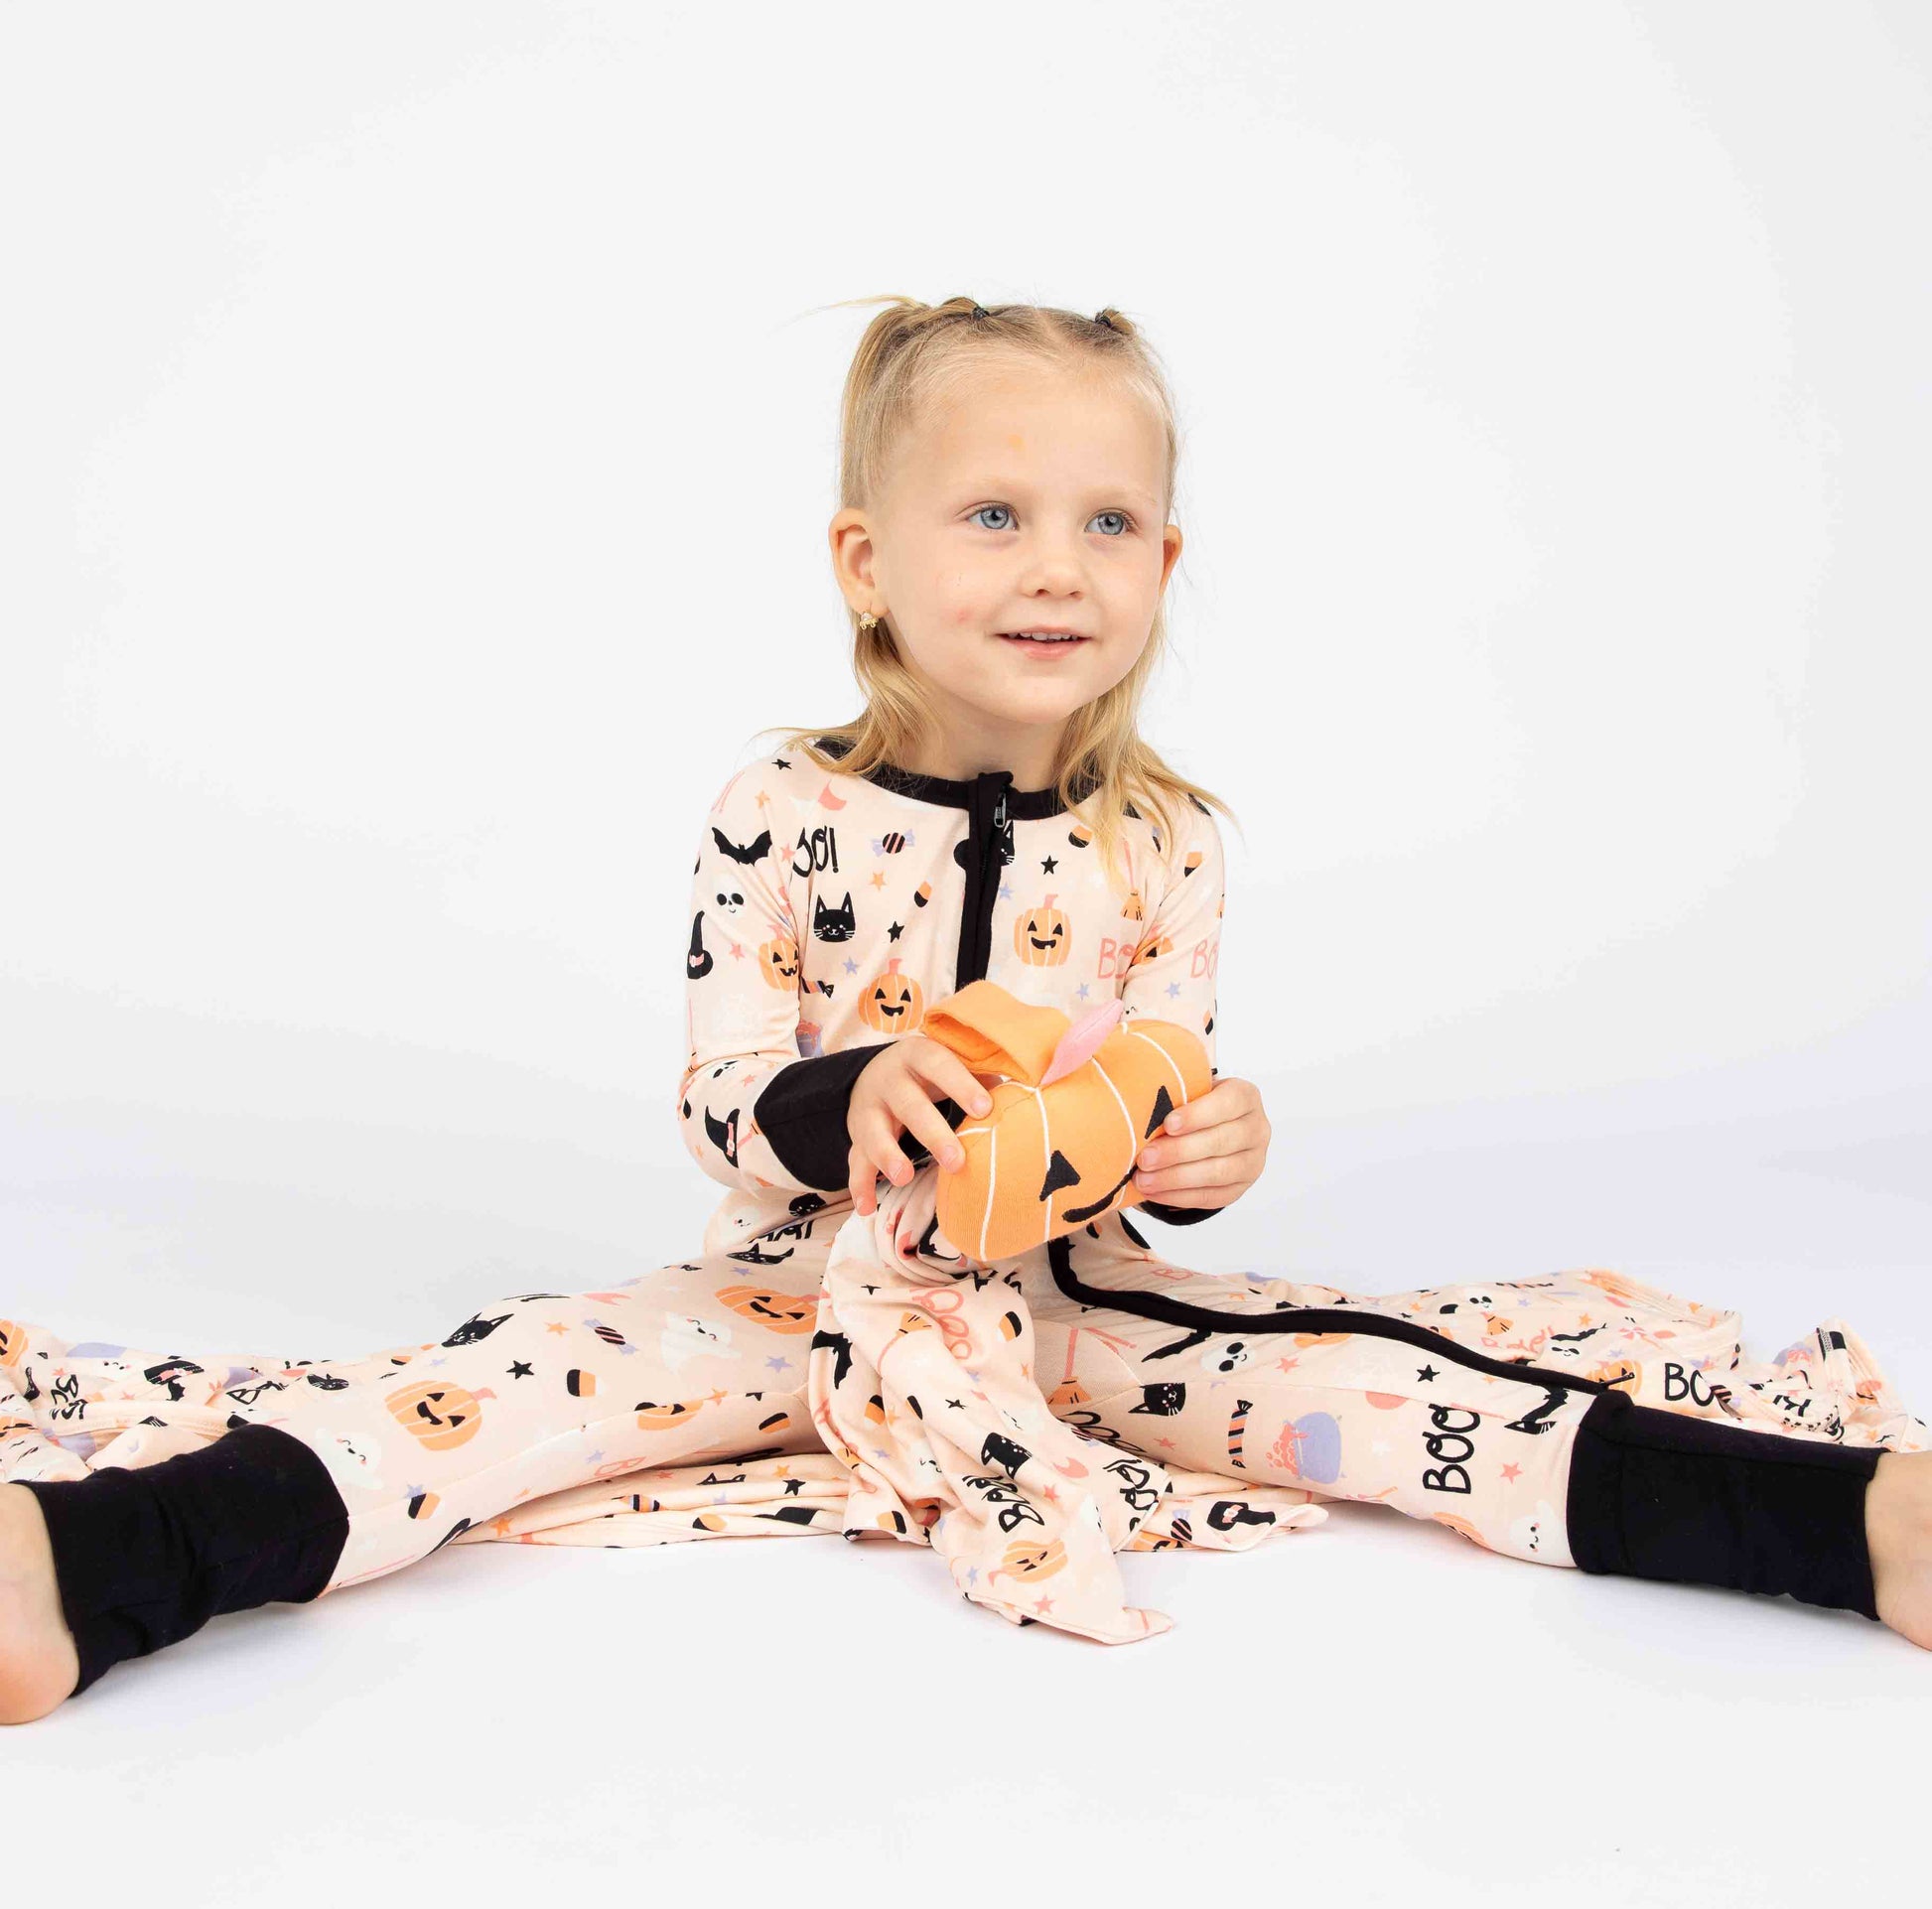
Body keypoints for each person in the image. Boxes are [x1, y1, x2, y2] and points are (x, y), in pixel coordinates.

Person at [5, 295, 1931, 1726]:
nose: (1054, 566)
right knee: (500, 1391)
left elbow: (1156, 1092)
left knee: (1406, 1396)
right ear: (869, 561)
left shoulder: (1165, 843)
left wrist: (1203, 1150)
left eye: (1107, 523)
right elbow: (721, 1094)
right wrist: (854, 1096)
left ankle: (1848, 1524)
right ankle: (97, 1569)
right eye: (994, 514)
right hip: (796, 1292)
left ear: (1165, 567)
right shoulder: (784, 811)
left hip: (1081, 1316)